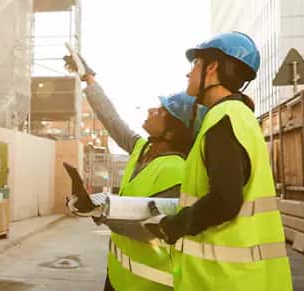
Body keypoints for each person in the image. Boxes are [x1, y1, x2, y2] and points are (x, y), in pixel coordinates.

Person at [146, 31, 293, 291]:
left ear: (212, 67)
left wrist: (175, 226)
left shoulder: (223, 120)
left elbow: (226, 200)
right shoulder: (237, 117)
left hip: (224, 280)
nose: (188, 74)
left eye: (195, 65)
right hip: (241, 277)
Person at [63, 54, 206, 291]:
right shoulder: (142, 148)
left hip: (148, 284)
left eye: (161, 111)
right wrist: (89, 78)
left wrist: (99, 209)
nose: (152, 109)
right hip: (118, 276)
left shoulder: (178, 170)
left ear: (171, 133)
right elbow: (112, 119)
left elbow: (150, 227)